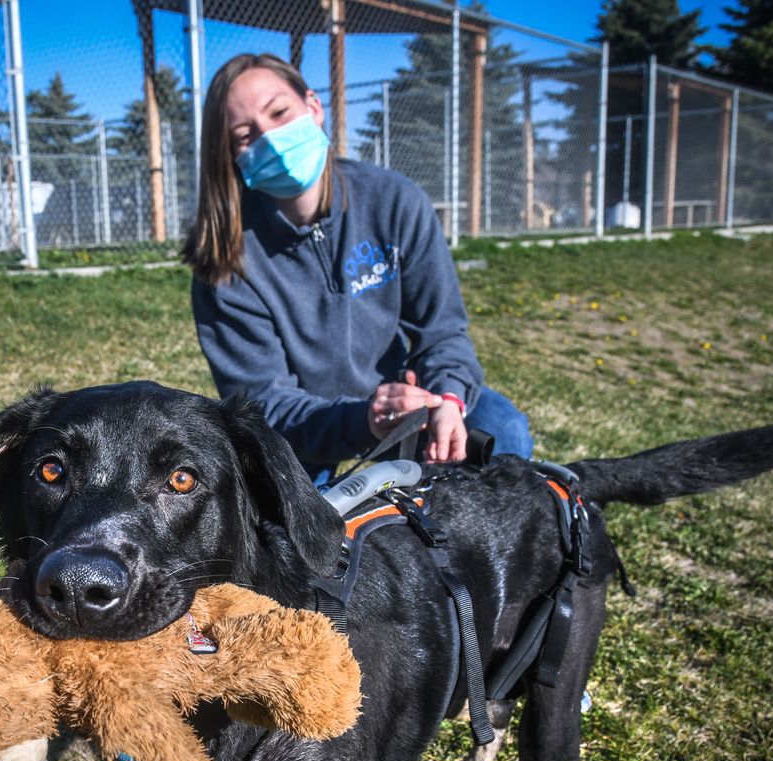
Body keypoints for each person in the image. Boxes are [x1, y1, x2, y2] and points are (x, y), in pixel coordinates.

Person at [184, 53, 533, 485]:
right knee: (298, 531)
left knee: (503, 428)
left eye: (279, 113)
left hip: (409, 402)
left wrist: (447, 399)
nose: (271, 140)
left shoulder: (395, 200)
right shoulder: (224, 259)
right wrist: (360, 420)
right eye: (245, 135)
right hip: (303, 432)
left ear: (313, 107)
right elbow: (265, 406)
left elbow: (442, 332)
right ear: (231, 156)